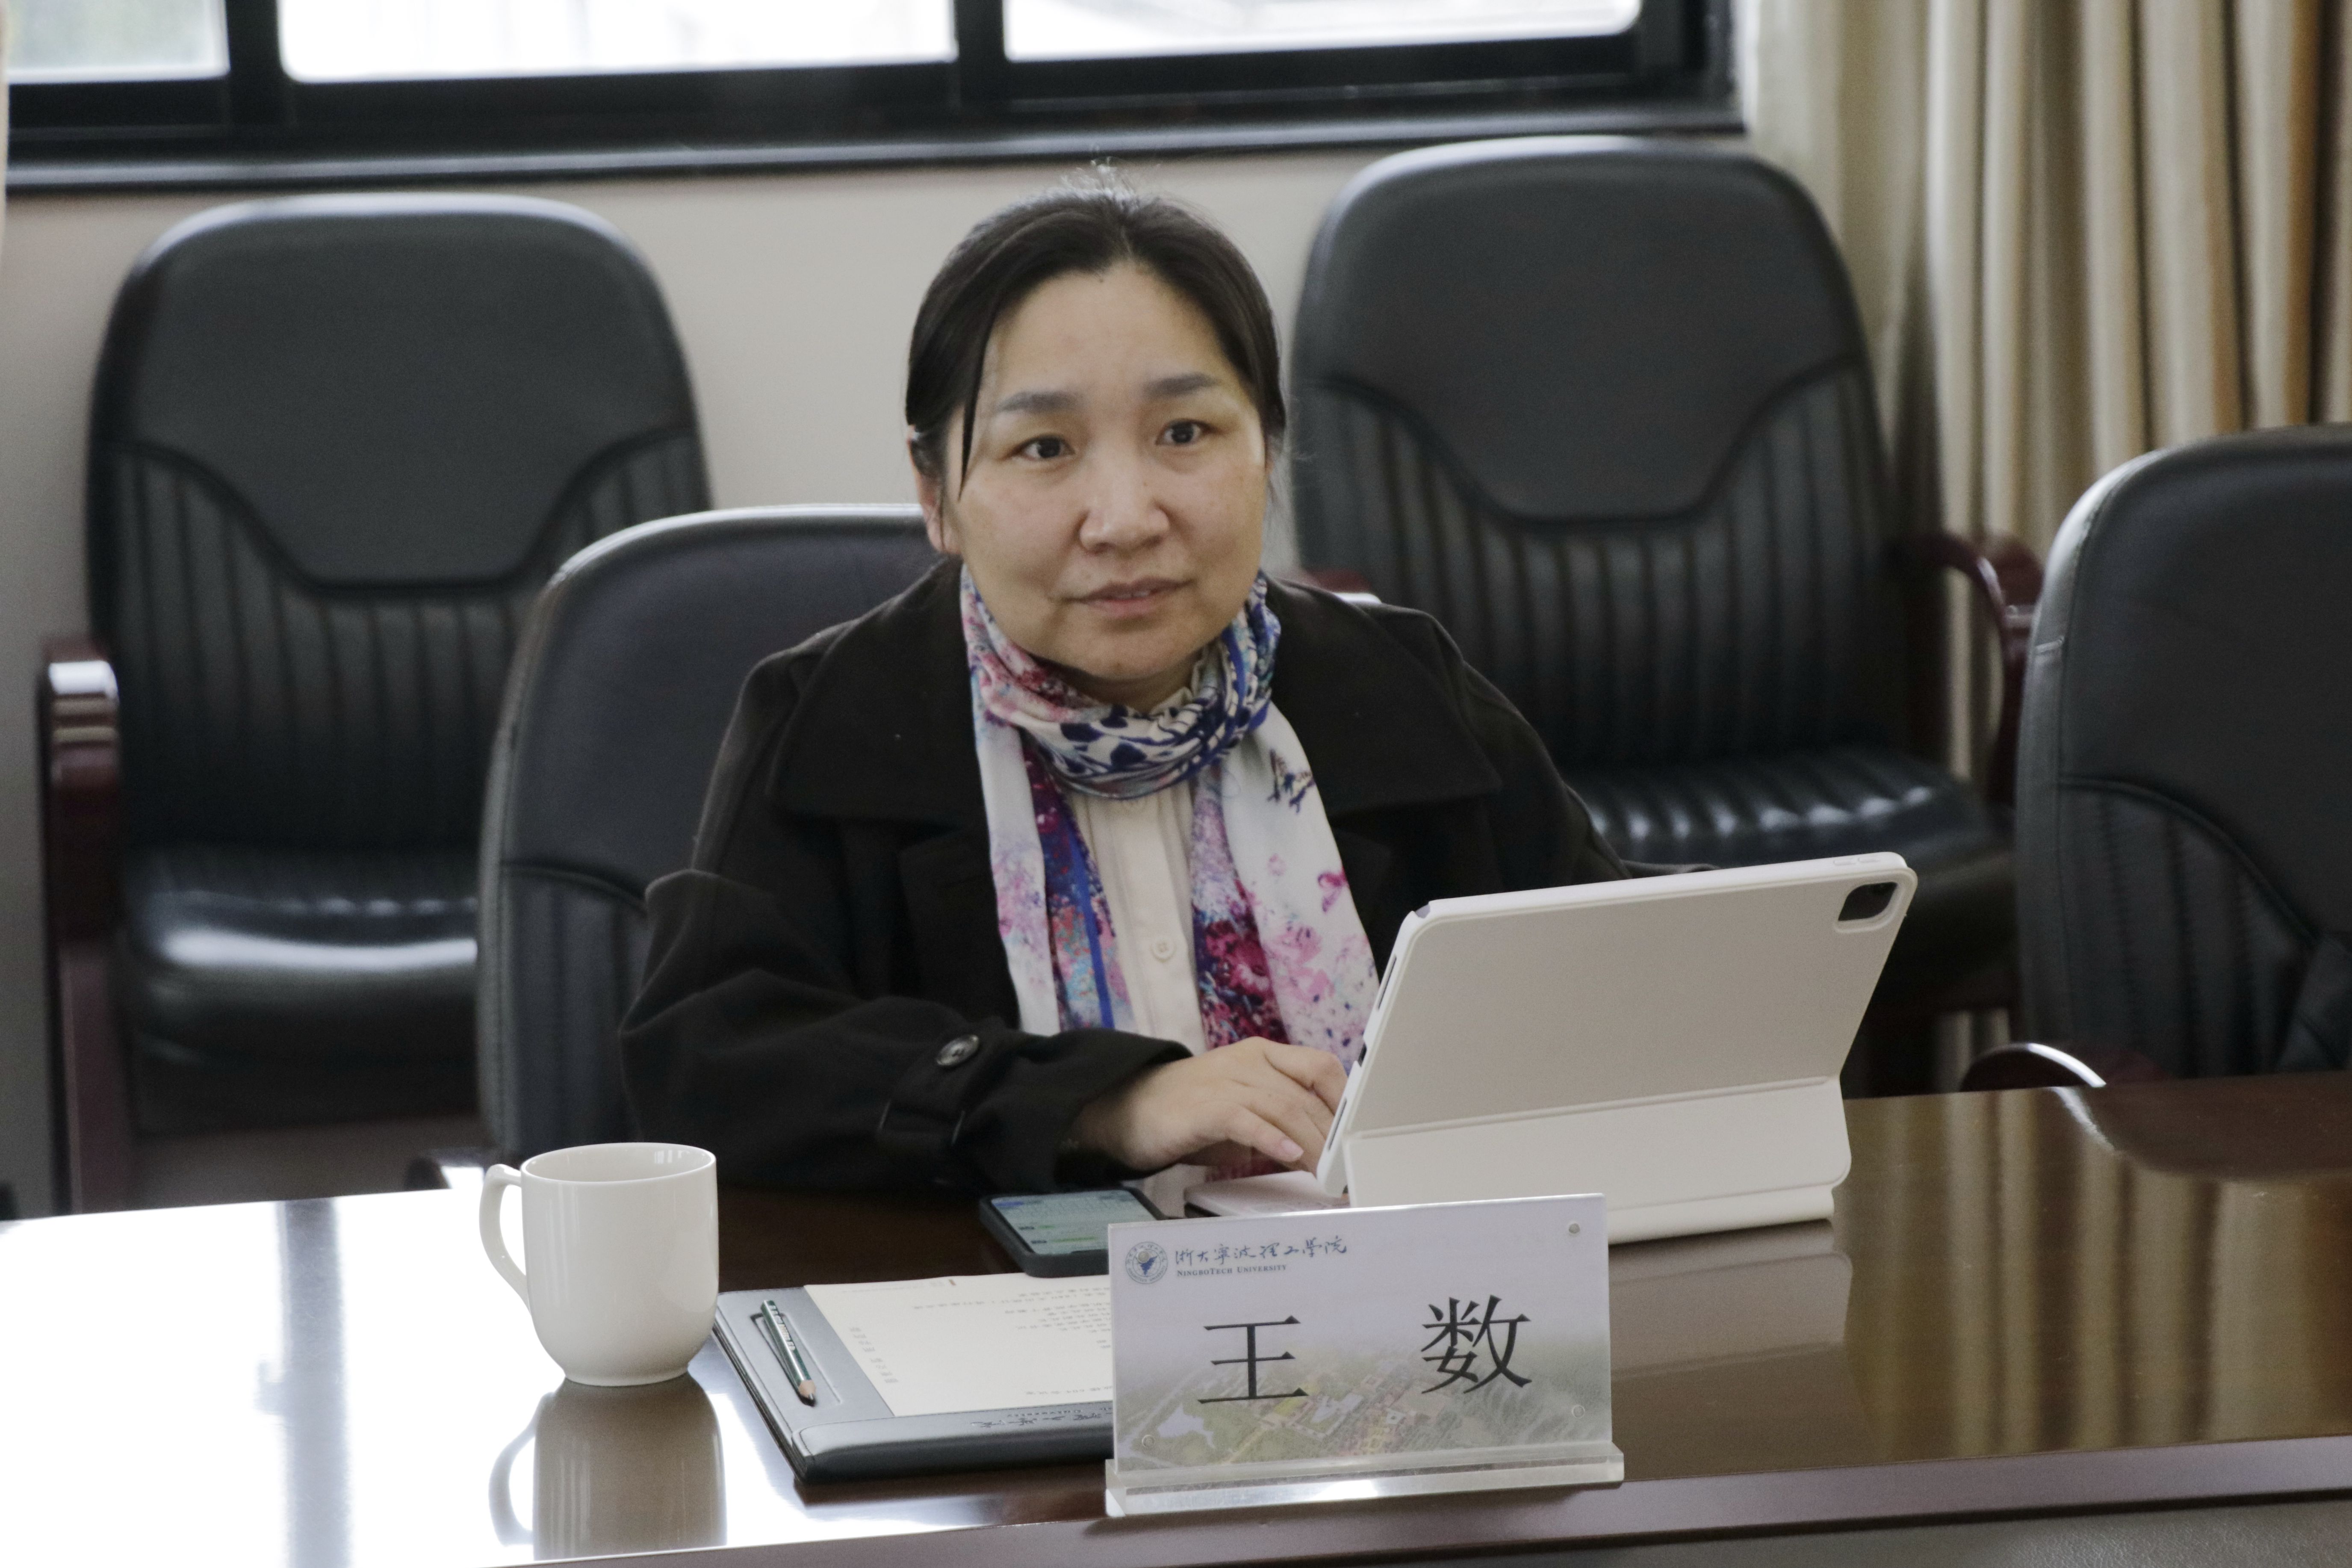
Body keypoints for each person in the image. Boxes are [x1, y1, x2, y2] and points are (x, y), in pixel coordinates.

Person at [620, 178, 1626, 1199]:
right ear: (937, 498)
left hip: (1391, 1283)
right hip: (991, 1297)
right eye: (1045, 448)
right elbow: (711, 1068)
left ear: (1267, 450)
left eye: (1184, 433)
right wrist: (1099, 1104)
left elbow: (1622, 971)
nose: (1125, 518)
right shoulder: (834, 721)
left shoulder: (1403, 689)